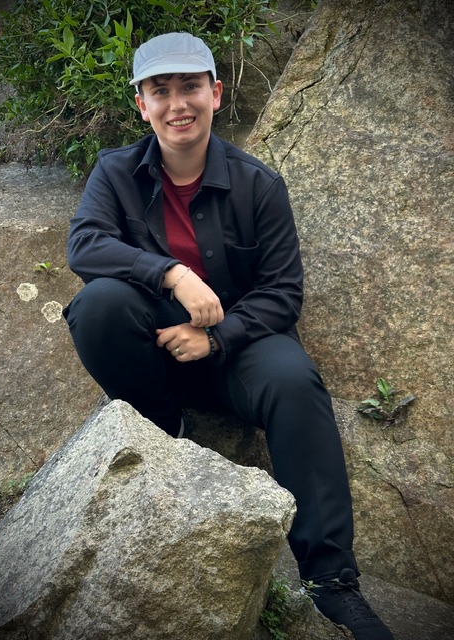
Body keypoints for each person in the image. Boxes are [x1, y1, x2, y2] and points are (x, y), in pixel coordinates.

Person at [63, 32, 395, 640]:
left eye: (190, 87)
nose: (177, 104)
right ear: (142, 104)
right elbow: (84, 245)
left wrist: (216, 340)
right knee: (99, 304)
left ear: (215, 93)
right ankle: (161, 426)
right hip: (154, 348)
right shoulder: (115, 171)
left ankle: (332, 583)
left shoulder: (258, 184)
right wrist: (171, 273)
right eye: (160, 91)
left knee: (294, 381)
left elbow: (282, 292)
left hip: (241, 352)